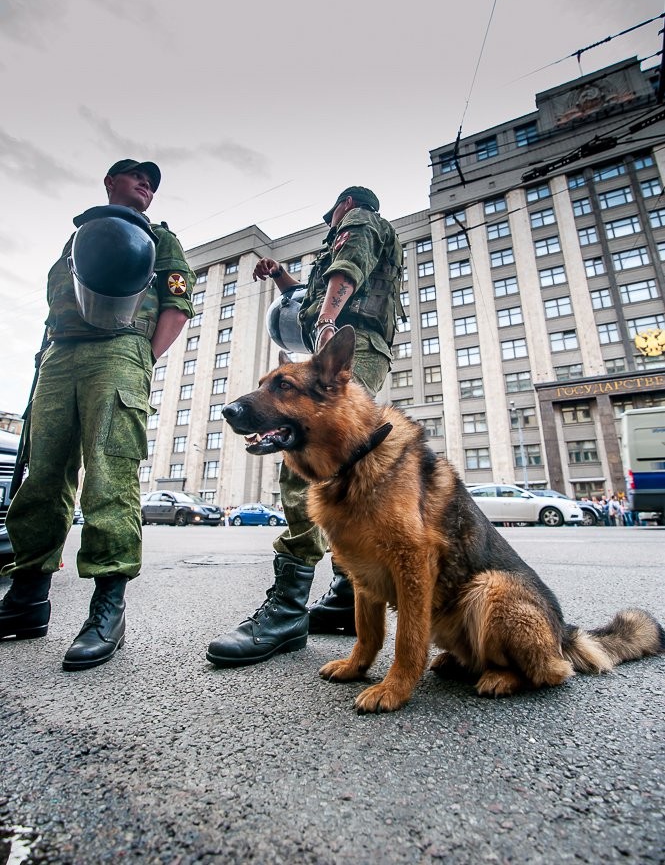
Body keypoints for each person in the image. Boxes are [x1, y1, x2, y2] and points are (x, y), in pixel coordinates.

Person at [0, 159, 195, 670]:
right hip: (60, 355)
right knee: (41, 475)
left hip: (119, 351)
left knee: (109, 475)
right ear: (110, 181)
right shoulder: (78, 239)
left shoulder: (159, 239)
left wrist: (139, 359)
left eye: (153, 181)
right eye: (137, 176)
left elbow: (176, 306)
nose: (148, 184)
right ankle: (27, 598)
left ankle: (108, 608)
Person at [207, 185, 404, 668]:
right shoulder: (355, 234)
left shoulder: (359, 221)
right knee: (339, 467)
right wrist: (279, 276)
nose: (330, 220)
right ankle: (343, 596)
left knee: (306, 451)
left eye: (331, 214)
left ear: (346, 205)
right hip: (346, 342)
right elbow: (306, 296)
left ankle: (288, 610)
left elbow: (344, 274)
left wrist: (329, 326)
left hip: (345, 344)